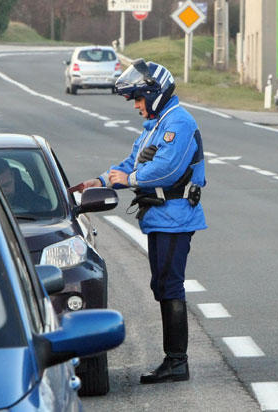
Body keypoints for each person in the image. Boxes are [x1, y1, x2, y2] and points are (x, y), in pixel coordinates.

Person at [76, 59, 206, 384]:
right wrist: (102, 179)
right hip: (159, 217)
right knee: (161, 285)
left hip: (175, 217)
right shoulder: (155, 125)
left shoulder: (179, 123)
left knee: (170, 285)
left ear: (154, 93)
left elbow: (166, 168)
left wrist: (129, 178)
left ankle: (177, 362)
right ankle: (173, 360)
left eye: (138, 98)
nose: (136, 105)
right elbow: (133, 160)